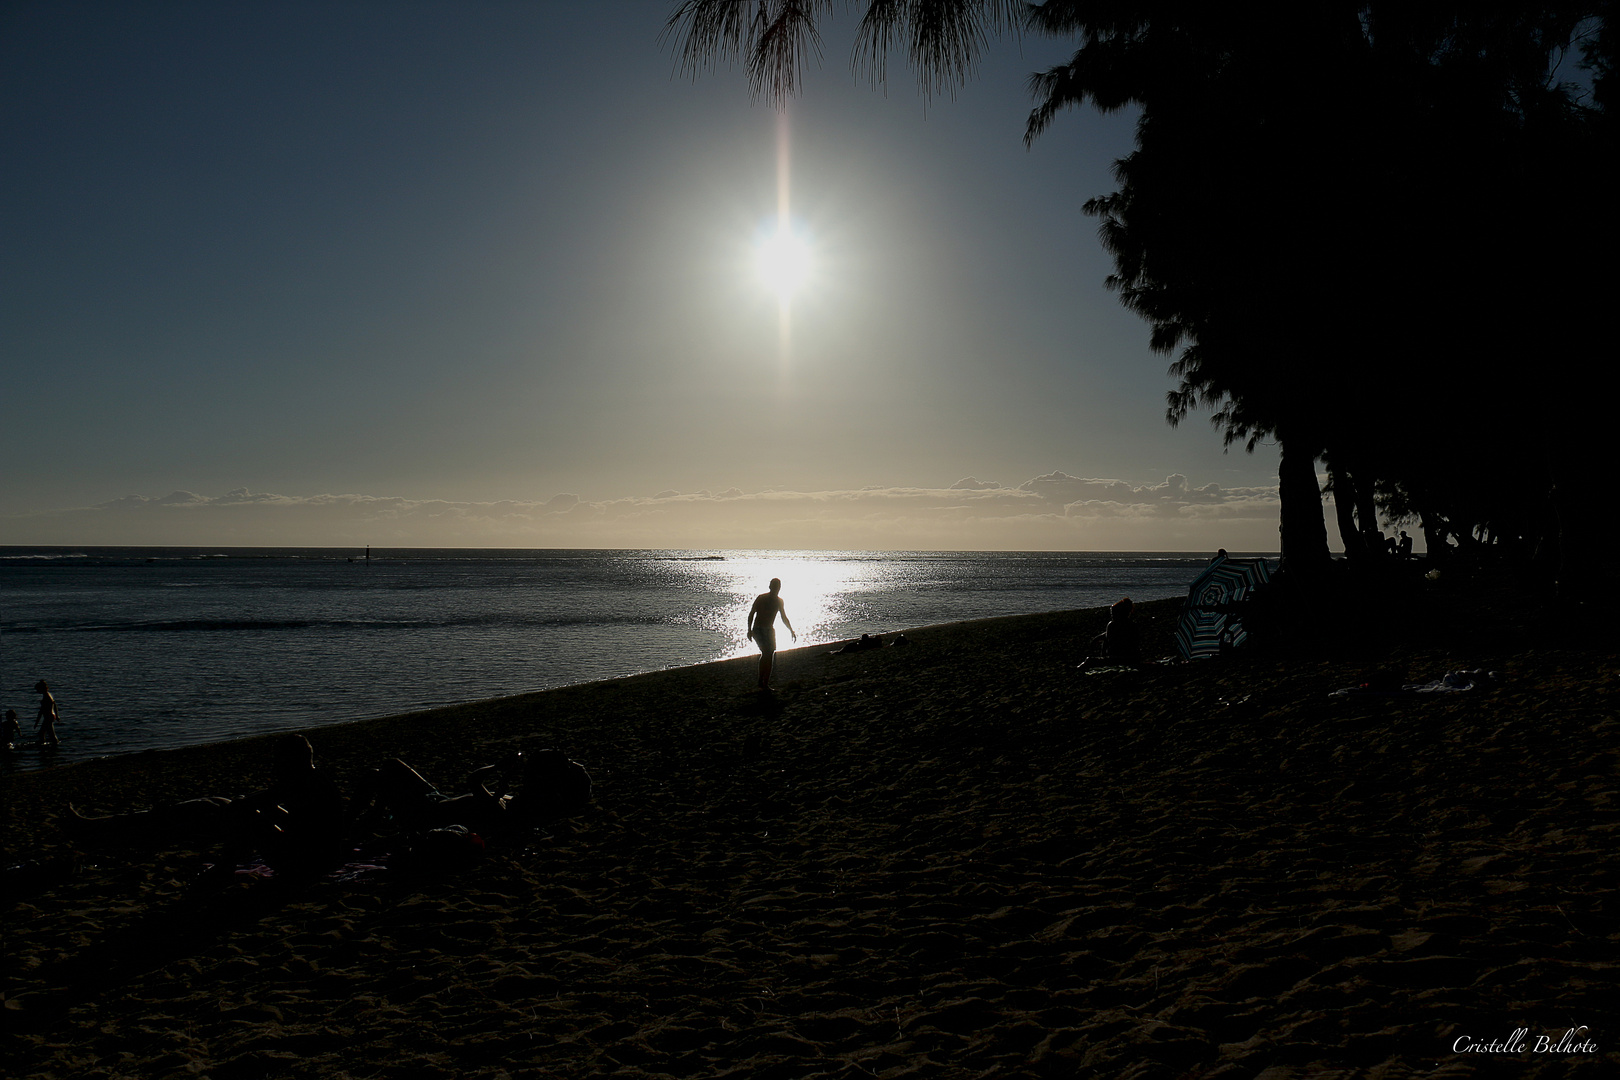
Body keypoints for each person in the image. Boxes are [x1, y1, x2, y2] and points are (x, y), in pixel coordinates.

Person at [70, 733, 346, 878]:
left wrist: (248, 809)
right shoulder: (315, 779)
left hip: (304, 863)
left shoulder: (301, 783)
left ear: (291, 760)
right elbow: (296, 819)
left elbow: (258, 805)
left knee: (225, 809)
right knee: (218, 803)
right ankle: (108, 824)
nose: (275, 766)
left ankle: (224, 867)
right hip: (310, 854)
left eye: (279, 761)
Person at [356, 748, 592, 838]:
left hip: (425, 811)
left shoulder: (504, 810)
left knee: (377, 776)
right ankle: (369, 818)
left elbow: (474, 780)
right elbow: (579, 777)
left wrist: (499, 768)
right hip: (440, 800)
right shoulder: (511, 803)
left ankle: (357, 823)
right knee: (391, 764)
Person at [747, 578, 797, 690]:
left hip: (770, 629)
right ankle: (761, 681)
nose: (776, 589)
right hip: (758, 629)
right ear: (770, 587)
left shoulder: (779, 601)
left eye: (778, 587)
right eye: (774, 586)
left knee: (770, 654)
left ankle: (765, 683)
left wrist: (791, 630)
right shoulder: (761, 598)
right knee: (766, 652)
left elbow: (784, 617)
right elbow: (752, 613)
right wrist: (749, 630)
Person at [1077, 597, 1140, 670]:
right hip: (1133, 658)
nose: (1112, 616)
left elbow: (1108, 641)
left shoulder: (1112, 625)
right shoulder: (1132, 625)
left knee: (1089, 661)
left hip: (1120, 658)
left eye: (1113, 614)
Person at [33, 680, 60, 750]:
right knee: (49, 733)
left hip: (48, 717)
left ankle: (44, 745)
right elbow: (55, 705)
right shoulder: (48, 695)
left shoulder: (46, 697)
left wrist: (37, 722)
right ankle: (53, 745)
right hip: (50, 716)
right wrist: (56, 715)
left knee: (43, 733)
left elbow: (41, 711)